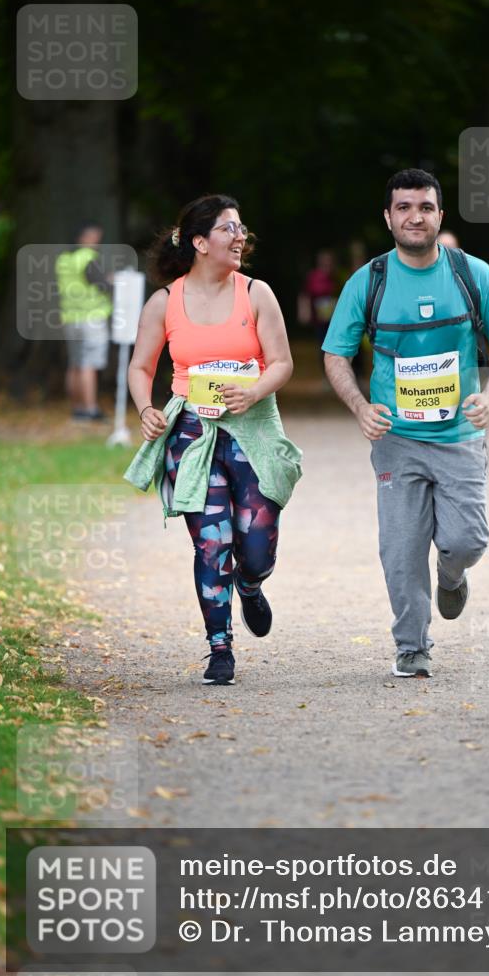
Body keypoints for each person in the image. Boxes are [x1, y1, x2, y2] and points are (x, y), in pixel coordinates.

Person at [322, 169, 489, 679]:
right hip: (397, 439)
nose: (416, 216)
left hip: (459, 436)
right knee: (402, 548)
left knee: (467, 541)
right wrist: (361, 407)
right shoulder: (368, 282)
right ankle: (412, 645)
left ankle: (451, 576)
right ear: (388, 217)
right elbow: (335, 355)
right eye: (405, 207)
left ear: (440, 216)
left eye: (426, 207)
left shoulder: (474, 275)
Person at [124, 194, 302, 686]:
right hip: (192, 433)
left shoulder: (257, 294)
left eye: (242, 228)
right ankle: (219, 647)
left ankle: (250, 583)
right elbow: (141, 367)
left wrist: (253, 391)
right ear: (200, 242)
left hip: (252, 427)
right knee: (210, 543)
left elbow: (283, 363)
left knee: (257, 546)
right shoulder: (165, 302)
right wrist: (147, 409)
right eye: (229, 228)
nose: (240, 236)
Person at [55, 224, 112, 420]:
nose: (95, 242)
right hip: (92, 318)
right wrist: (111, 281)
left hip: (70, 318)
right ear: (81, 238)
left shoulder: (64, 259)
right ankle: (91, 409)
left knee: (75, 364)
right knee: (89, 364)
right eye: (92, 237)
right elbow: (101, 285)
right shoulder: (88, 258)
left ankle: (77, 408)